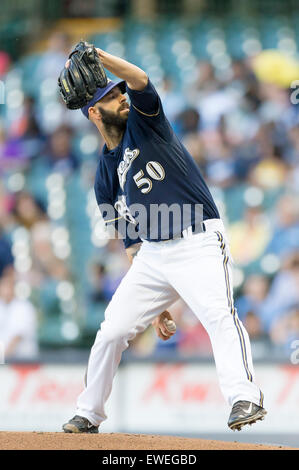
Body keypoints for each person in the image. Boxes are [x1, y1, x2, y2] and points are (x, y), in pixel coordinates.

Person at [62, 49, 266, 433]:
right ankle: (88, 413)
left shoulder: (146, 123)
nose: (121, 97)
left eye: (118, 93)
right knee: (113, 330)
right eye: (110, 96)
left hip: (198, 240)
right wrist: (155, 306)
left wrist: (100, 56)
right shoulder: (102, 178)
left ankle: (245, 397)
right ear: (93, 112)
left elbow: (139, 79)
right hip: (153, 256)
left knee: (219, 316)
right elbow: (131, 242)